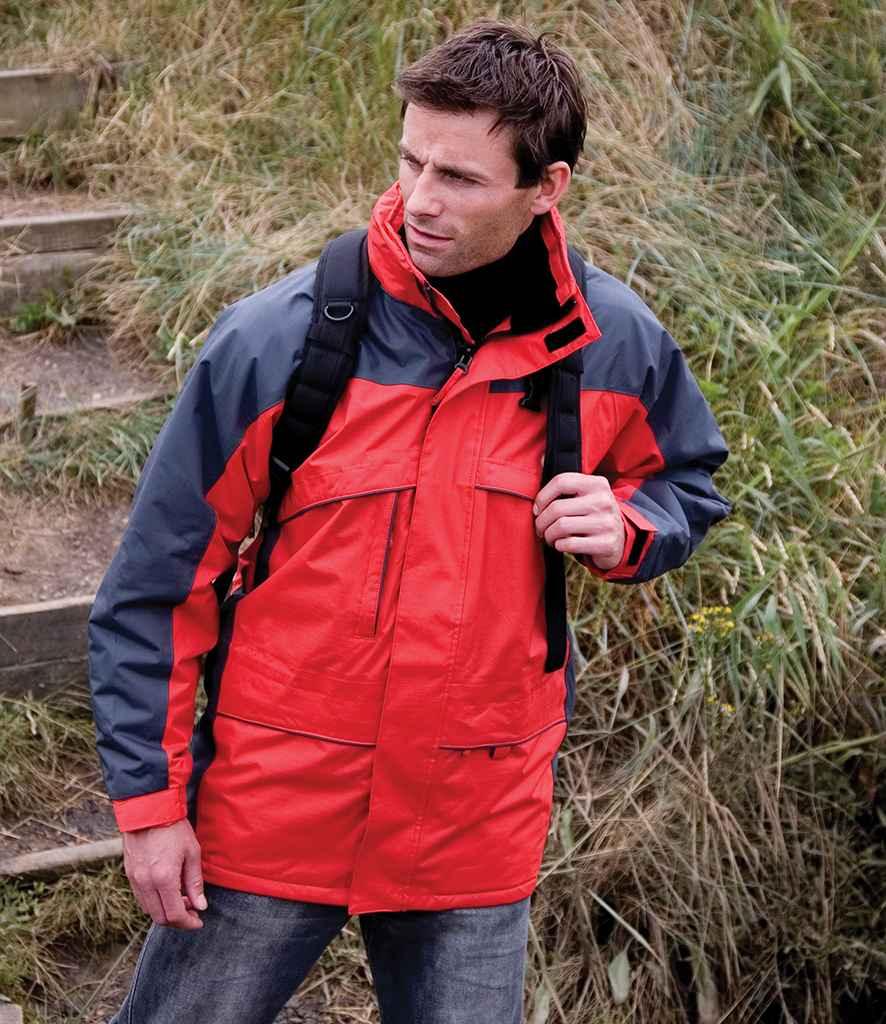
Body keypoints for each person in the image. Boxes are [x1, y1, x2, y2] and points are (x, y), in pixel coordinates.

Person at [87, 19, 731, 1024]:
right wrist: (150, 808)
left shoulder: (614, 345)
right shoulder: (277, 339)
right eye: (410, 160)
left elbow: (686, 480)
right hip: (270, 807)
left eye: (460, 177)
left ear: (546, 187)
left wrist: (630, 525)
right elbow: (158, 587)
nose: (420, 198)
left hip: (472, 824)